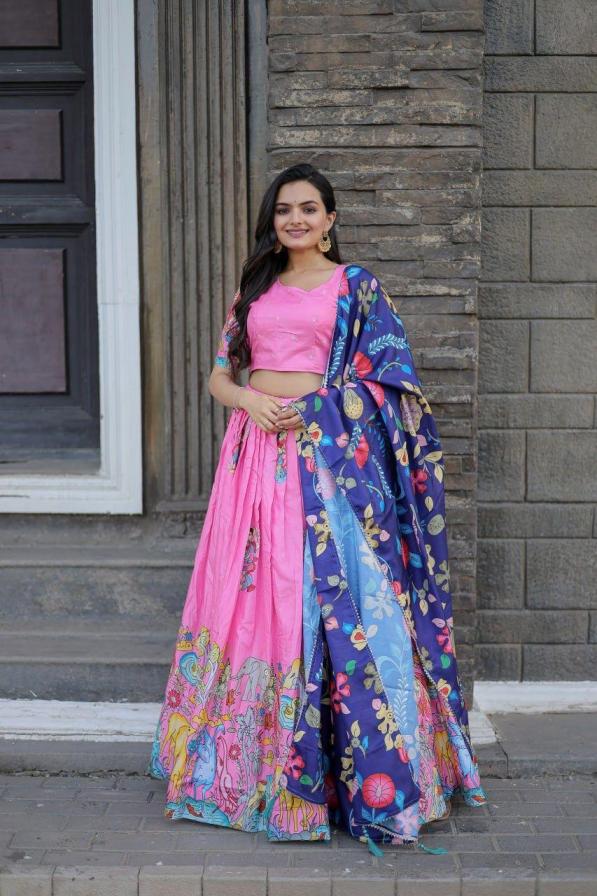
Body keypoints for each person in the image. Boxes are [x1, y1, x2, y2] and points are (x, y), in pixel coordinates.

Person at [147, 163, 488, 853]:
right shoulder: (254, 286)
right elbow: (219, 375)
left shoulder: (356, 287)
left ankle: (361, 777)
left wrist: (319, 410)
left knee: (333, 599)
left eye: (308, 208)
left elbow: (392, 382)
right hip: (254, 458)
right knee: (255, 598)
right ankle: (245, 773)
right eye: (283, 210)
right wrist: (247, 399)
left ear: (330, 219)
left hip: (328, 461)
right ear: (271, 221)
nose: (295, 220)